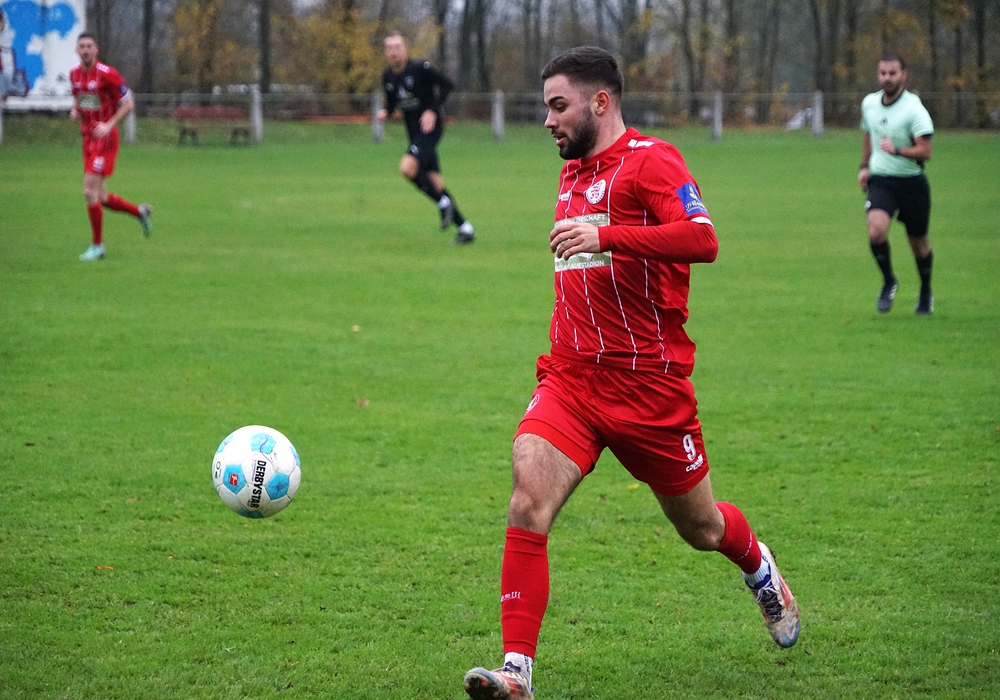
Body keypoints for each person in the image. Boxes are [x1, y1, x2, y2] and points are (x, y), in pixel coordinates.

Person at [462, 47, 799, 700]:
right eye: (545, 108)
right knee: (528, 497)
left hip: (650, 389)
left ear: (600, 102)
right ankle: (516, 673)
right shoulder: (572, 170)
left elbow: (702, 239)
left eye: (558, 106)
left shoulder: (653, 161)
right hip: (572, 380)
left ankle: (759, 566)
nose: (547, 120)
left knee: (701, 528)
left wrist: (609, 235)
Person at [377, 32, 475, 245]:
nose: (394, 52)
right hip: (414, 134)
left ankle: (443, 203)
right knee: (434, 182)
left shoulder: (420, 69)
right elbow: (392, 101)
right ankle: (465, 228)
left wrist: (432, 109)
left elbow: (447, 85)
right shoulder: (388, 76)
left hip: (430, 129)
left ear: (405, 48)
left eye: (397, 47)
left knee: (407, 168)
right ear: (385, 52)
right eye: (389, 48)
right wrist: (386, 112)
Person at [858, 53, 935, 314]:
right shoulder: (869, 103)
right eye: (883, 73)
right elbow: (868, 133)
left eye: (892, 73)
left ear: (903, 75)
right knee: (876, 232)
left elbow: (926, 151)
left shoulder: (914, 109)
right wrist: (864, 167)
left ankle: (925, 291)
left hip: (912, 183)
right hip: (881, 180)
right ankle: (889, 281)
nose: (887, 78)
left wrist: (898, 150)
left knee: (919, 244)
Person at [70, 33, 152, 261]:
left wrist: (109, 125)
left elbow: (129, 103)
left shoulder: (107, 74)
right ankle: (140, 212)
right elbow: (80, 98)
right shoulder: (74, 75)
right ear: (77, 50)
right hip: (88, 138)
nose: (85, 50)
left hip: (105, 140)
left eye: (89, 46)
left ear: (96, 50)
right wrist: (75, 109)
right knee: (102, 197)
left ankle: (98, 246)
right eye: (82, 46)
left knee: (89, 191)